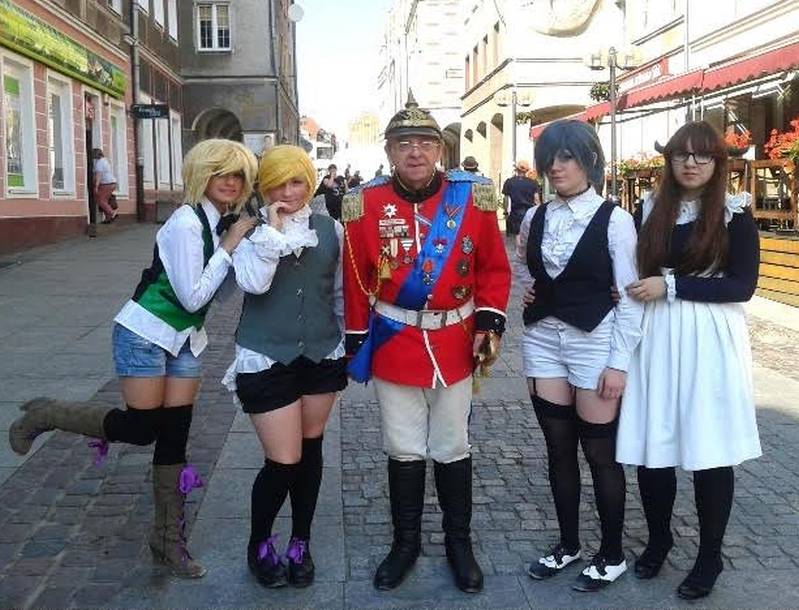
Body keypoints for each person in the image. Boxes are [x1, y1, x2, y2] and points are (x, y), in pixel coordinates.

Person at [9, 139, 259, 578]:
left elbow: (216, 297)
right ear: (202, 173)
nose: (231, 181)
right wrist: (228, 247)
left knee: (175, 436)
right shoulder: (185, 223)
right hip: (144, 334)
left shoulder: (218, 223)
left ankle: (168, 543)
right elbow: (192, 296)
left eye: (238, 174)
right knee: (142, 429)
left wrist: (237, 253)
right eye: (221, 172)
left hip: (184, 339)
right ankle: (48, 414)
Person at [343, 93, 511, 594]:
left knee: (453, 445)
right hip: (395, 343)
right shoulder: (365, 203)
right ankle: (406, 544)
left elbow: (493, 268)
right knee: (402, 447)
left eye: (424, 143)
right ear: (389, 152)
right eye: (403, 144)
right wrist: (357, 339)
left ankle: (459, 544)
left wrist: (488, 324)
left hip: (455, 341)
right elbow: (356, 277)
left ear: (439, 150)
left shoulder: (472, 197)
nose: (414, 152)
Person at [618, 121, 761, 600]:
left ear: (718, 163)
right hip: (656, 333)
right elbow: (626, 267)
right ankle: (659, 539)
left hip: (708, 336)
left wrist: (673, 286)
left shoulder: (734, 215)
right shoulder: (648, 209)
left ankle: (709, 555)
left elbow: (741, 286)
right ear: (670, 160)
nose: (692, 163)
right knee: (653, 443)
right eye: (682, 154)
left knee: (708, 446)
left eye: (703, 156)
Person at [517, 120, 642, 592]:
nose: (556, 166)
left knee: (600, 453)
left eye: (566, 157)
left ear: (589, 161)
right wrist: (532, 291)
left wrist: (619, 362)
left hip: (595, 341)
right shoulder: (534, 217)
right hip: (543, 339)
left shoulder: (615, 219)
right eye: (549, 158)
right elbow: (525, 265)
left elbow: (629, 296)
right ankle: (568, 544)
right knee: (558, 449)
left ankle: (612, 554)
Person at [222, 145, 347, 589]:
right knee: (283, 459)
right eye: (277, 183)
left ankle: (300, 542)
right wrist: (272, 232)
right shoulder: (248, 231)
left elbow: (337, 293)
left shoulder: (331, 229)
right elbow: (254, 283)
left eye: (297, 182)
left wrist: (346, 341)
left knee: (310, 452)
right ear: (264, 186)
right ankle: (259, 543)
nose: (288, 192)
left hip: (321, 354)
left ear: (310, 184)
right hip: (266, 356)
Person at [503, 160, 541, 237]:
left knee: (517, 235)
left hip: (515, 212)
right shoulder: (533, 183)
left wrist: (506, 211)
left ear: (516, 170)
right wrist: (539, 212)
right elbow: (536, 200)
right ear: (527, 171)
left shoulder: (509, 182)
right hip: (529, 212)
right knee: (529, 235)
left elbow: (506, 199)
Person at [93, 148, 118, 223]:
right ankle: (108, 218)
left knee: (101, 200)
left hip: (106, 183)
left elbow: (99, 175)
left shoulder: (99, 163)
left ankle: (112, 213)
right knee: (105, 201)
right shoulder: (105, 161)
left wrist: (96, 186)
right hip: (112, 182)